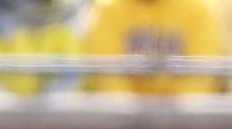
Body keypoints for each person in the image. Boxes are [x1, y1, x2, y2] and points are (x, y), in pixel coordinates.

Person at [81, 0, 222, 95]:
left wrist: (177, 121)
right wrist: (133, 122)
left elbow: (200, 79)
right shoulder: (107, 9)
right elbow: (110, 82)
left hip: (183, 124)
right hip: (126, 126)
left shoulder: (197, 8)